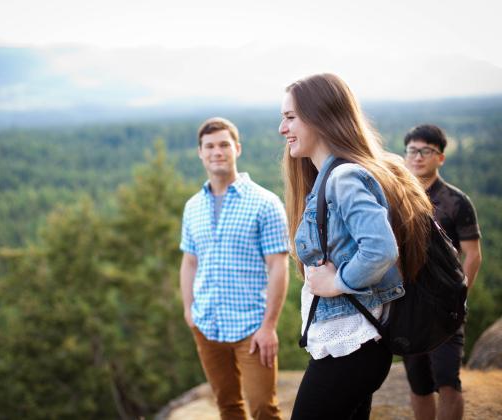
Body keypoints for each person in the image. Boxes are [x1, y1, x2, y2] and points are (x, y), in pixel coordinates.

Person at [278, 73, 434, 419]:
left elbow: (380, 249)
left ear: (321, 117)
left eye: (290, 117)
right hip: (351, 346)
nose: (282, 128)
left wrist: (336, 283)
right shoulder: (330, 177)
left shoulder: (344, 178)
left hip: (352, 346)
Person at [180, 117, 289, 420]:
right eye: (210, 146)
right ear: (200, 153)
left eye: (224, 144)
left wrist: (268, 327)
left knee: (264, 409)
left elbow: (278, 267)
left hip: (252, 329)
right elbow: (189, 261)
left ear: (237, 148)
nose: (217, 152)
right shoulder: (193, 207)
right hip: (208, 325)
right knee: (227, 407)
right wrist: (189, 310)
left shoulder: (265, 203)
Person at [402, 124, 482, 420]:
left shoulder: (455, 201)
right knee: (419, 384)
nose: (418, 157)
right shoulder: (399, 198)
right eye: (413, 150)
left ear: (441, 158)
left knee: (448, 381)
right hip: (408, 306)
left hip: (446, 308)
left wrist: (456, 298)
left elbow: (473, 255)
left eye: (427, 151)